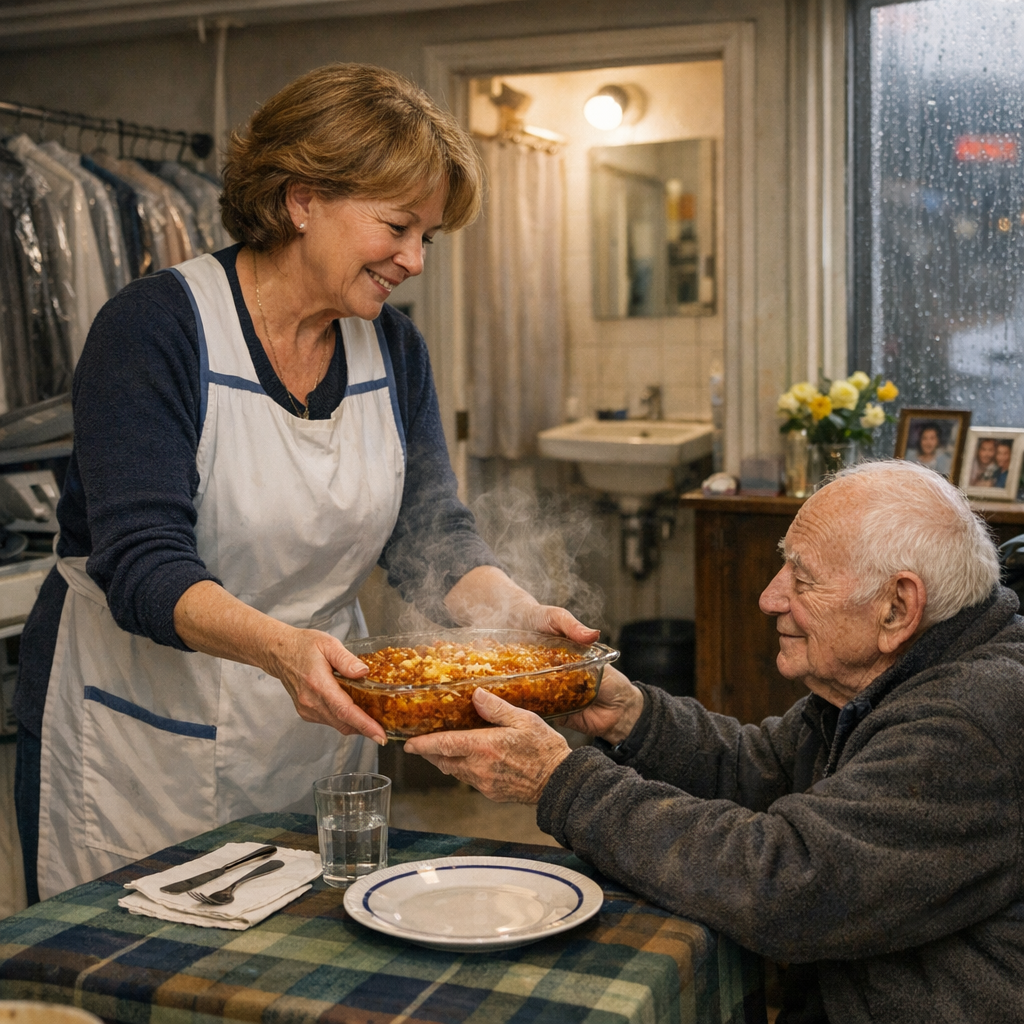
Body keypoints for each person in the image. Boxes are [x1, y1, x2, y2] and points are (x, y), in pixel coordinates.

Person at [14, 63, 596, 903]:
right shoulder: (157, 330)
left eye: (427, 237)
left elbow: (430, 531)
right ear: (301, 200)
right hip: (138, 741)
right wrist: (284, 651)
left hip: (312, 732)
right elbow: (142, 564)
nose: (415, 261)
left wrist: (517, 618)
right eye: (398, 227)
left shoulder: (393, 350)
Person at [406, 460, 1024, 1024]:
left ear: (897, 607)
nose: (768, 597)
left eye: (801, 579)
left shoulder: (973, 722)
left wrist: (560, 781)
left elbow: (783, 885)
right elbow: (761, 770)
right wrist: (632, 715)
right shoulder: (896, 677)